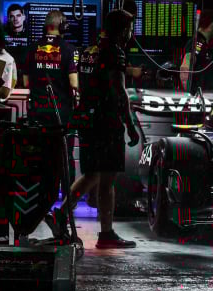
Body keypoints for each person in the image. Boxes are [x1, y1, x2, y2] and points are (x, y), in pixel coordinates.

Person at [48, 9, 139, 250]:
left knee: (93, 175)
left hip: (87, 121)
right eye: (129, 29)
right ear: (122, 30)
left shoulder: (90, 50)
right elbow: (119, 91)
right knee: (107, 179)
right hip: (106, 123)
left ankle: (61, 214)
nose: (130, 34)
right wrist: (130, 125)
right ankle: (106, 234)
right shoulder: (114, 52)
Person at [23, 10, 79, 185]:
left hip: (37, 114)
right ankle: (67, 198)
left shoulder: (31, 48)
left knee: (41, 159)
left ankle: (42, 195)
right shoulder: (69, 49)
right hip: (61, 115)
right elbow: (74, 83)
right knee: (64, 157)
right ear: (62, 26)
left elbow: (26, 82)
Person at [180, 9, 213, 94]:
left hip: (204, 95)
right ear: (212, 25)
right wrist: (188, 95)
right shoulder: (197, 42)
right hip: (197, 95)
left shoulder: (206, 44)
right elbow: (185, 66)